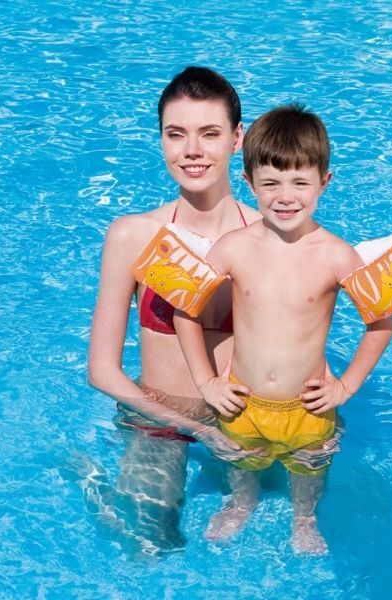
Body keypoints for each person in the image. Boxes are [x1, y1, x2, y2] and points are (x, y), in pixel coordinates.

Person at [172, 104, 392, 554]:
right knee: (242, 461)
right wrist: (207, 381)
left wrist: (346, 386)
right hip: (242, 400)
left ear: (324, 182)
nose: (285, 196)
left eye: (300, 183)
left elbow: (381, 324)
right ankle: (242, 503)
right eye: (271, 183)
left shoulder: (338, 255)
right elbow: (184, 310)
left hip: (307, 406)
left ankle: (304, 518)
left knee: (309, 467)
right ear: (249, 182)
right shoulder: (233, 247)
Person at [86, 66, 264, 552]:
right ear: (161, 140)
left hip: (245, 423)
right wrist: (198, 428)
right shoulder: (133, 235)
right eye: (176, 134)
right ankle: (88, 479)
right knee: (149, 546)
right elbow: (102, 371)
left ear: (237, 139)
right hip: (158, 422)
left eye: (209, 133)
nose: (192, 150)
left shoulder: (270, 237)